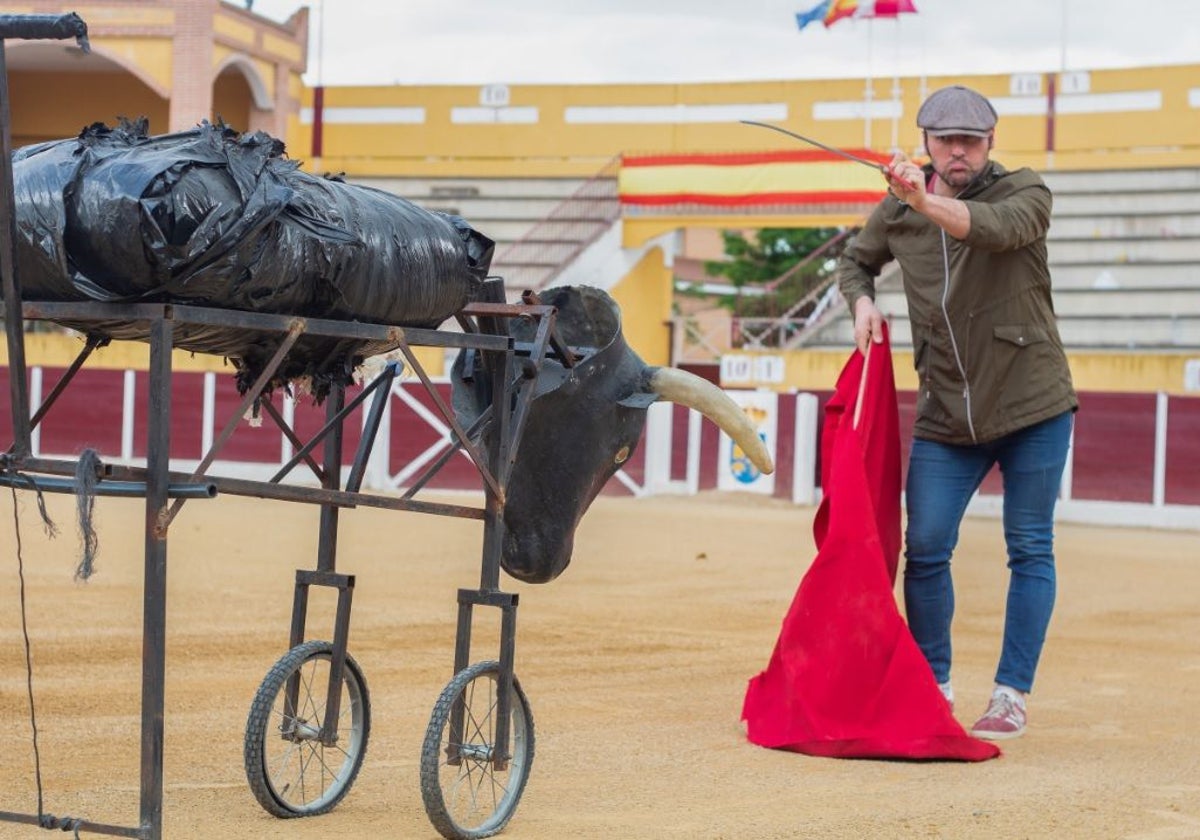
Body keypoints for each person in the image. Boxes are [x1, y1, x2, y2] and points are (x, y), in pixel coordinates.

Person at [835, 85, 1077, 740]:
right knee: (927, 547)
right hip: (947, 410)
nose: (960, 149)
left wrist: (920, 200)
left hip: (1033, 404)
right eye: (947, 139)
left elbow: (991, 231)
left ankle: (1010, 695)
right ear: (928, 144)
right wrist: (861, 300)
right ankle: (932, 684)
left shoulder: (1024, 191)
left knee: (1029, 547)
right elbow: (855, 262)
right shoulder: (901, 208)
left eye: (971, 139)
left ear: (991, 143)